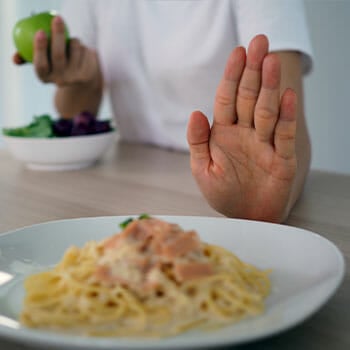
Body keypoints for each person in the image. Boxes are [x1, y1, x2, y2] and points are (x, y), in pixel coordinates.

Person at [13, 0, 313, 223]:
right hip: (127, 189)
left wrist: (270, 204)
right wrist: (83, 78)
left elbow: (288, 139)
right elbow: (73, 114)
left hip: (221, 193)